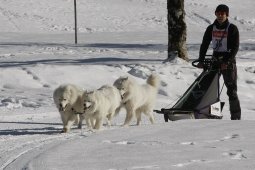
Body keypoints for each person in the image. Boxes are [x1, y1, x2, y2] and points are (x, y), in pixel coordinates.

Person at [198, 4, 241, 120]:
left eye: (223, 13)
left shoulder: (232, 28)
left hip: (228, 62)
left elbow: (235, 47)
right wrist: (201, 60)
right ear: (215, 14)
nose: (221, 15)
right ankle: (214, 115)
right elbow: (204, 44)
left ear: (227, 15)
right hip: (214, 60)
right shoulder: (211, 28)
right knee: (212, 90)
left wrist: (227, 62)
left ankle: (236, 118)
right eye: (219, 13)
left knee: (231, 91)